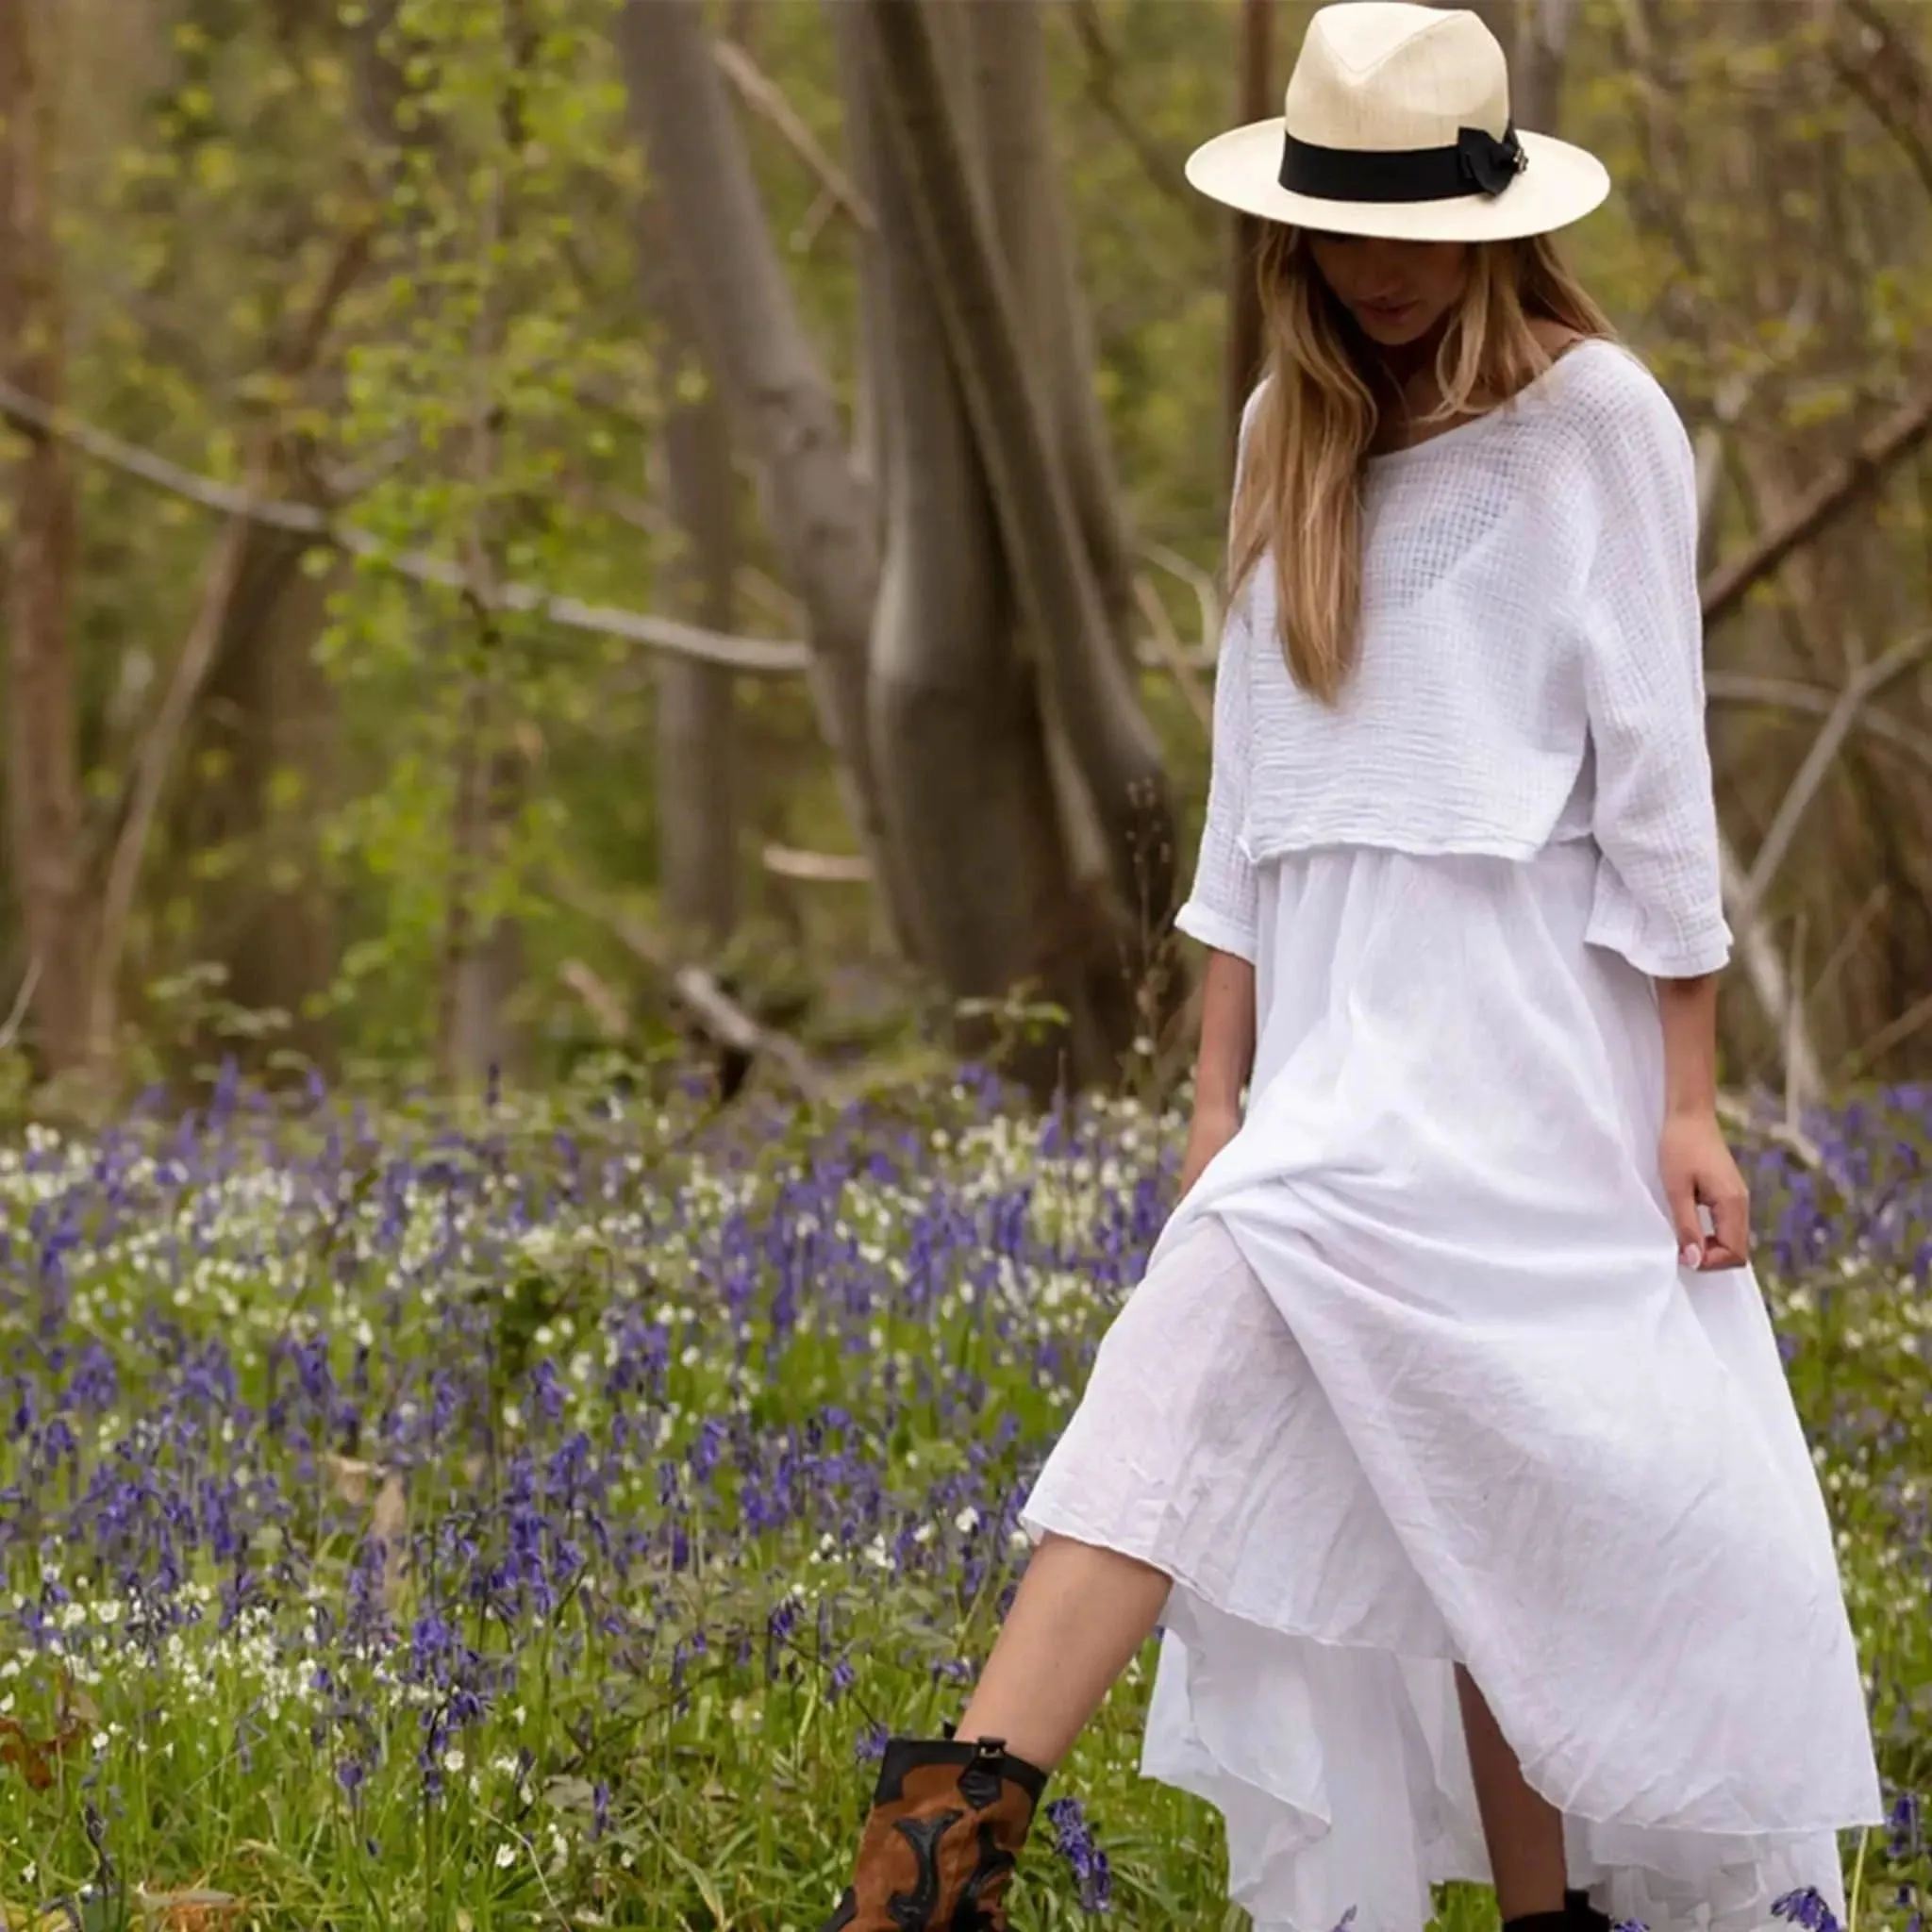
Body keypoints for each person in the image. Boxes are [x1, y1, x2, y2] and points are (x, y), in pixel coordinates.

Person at [816, 7, 1884, 1930]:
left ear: (1490, 220)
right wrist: (1222, 1090)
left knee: (1496, 1491)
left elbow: (1655, 776)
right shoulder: (1285, 429)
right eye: (1340, 225)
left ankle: (1527, 1910)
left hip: (1524, 1038)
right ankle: (927, 1877)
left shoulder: (1599, 422)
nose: (1378, 269)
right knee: (1178, 1393)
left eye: (1412, 226)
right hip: (1333, 1042)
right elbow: (1256, 799)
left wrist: (1690, 1092)